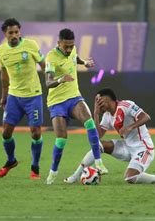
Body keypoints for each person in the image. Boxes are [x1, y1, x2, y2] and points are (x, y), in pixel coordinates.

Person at [64, 88, 155, 184]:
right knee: (99, 145)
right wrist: (96, 114)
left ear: (109, 99)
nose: (99, 104)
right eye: (97, 102)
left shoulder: (126, 105)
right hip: (127, 147)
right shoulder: (107, 115)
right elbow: (98, 136)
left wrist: (129, 127)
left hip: (143, 148)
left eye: (100, 101)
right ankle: (75, 176)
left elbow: (146, 117)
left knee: (130, 178)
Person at [44, 28, 108, 184]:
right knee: (61, 139)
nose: (69, 49)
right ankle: (53, 171)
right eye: (65, 46)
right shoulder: (51, 57)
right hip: (56, 102)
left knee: (90, 122)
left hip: (73, 97)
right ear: (58, 43)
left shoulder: (72, 50)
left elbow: (74, 57)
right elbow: (48, 82)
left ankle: (99, 163)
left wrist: (84, 62)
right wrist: (61, 80)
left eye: (71, 46)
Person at [0, 18, 45, 180]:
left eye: (17, 32)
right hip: (14, 96)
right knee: (6, 133)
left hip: (33, 95)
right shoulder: (1, 50)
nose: (14, 35)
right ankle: (11, 161)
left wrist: (51, 80)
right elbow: (4, 74)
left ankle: (35, 167)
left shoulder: (30, 45)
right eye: (11, 33)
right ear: (5, 34)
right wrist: (4, 96)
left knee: (36, 133)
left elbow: (44, 64)